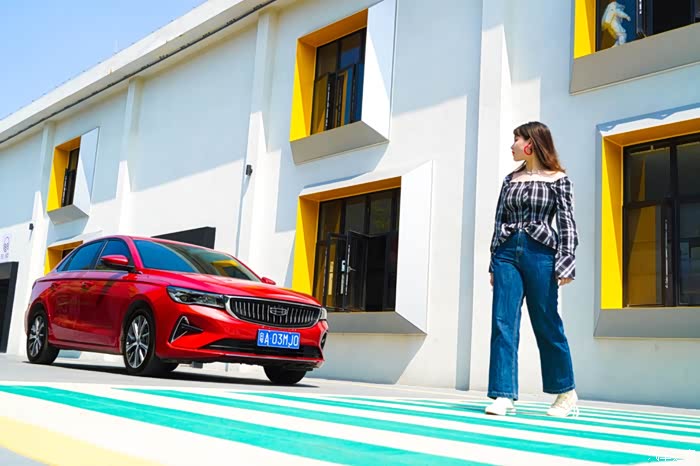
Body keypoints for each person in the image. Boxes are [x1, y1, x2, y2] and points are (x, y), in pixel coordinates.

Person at [485, 121, 579, 417]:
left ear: (531, 143)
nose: (511, 145)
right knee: (503, 321)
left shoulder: (558, 180)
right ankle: (503, 395)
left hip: (541, 254)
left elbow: (566, 224)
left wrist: (566, 261)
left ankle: (566, 393)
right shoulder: (510, 180)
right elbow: (499, 220)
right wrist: (493, 260)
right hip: (506, 253)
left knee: (546, 321)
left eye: (516, 139)